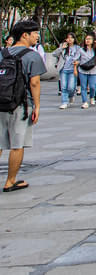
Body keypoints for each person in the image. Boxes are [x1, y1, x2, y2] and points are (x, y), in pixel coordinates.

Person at [0, 19, 45, 192]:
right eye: (34, 34)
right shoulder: (32, 55)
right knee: (17, 145)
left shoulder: (2, 53)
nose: (36, 37)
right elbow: (34, 83)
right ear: (24, 35)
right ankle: (10, 181)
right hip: (20, 105)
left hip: (1, 103)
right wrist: (37, 106)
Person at [75, 32, 96, 109]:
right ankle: (84, 102)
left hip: (93, 71)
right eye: (86, 39)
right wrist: (76, 64)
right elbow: (76, 59)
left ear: (93, 40)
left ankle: (92, 97)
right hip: (83, 70)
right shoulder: (81, 50)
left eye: (89, 39)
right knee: (83, 87)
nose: (87, 40)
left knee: (92, 87)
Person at [55, 33, 78, 107]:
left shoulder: (77, 48)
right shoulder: (63, 46)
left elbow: (80, 58)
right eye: (68, 38)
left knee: (71, 87)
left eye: (71, 38)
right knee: (64, 87)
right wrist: (62, 48)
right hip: (63, 69)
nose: (70, 39)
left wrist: (77, 63)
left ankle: (71, 96)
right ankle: (64, 102)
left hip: (72, 69)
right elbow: (54, 54)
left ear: (74, 39)